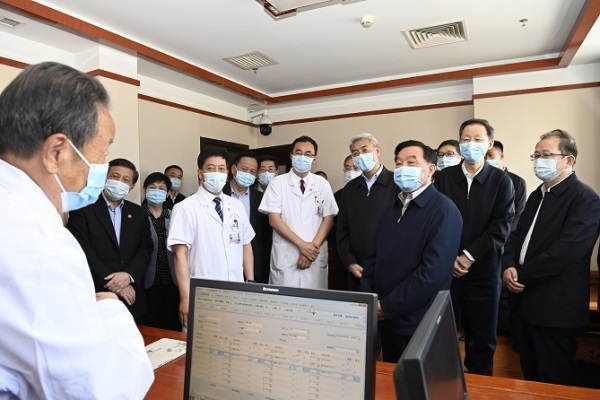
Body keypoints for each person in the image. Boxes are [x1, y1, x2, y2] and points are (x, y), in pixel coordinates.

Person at [0, 61, 153, 399]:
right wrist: (111, 307)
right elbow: (102, 390)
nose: (102, 169)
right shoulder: (39, 243)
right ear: (56, 153)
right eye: (102, 153)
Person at [502, 129, 600, 385]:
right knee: (530, 377)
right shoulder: (537, 195)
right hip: (524, 303)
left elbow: (566, 252)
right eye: (536, 155)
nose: (538, 161)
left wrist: (521, 274)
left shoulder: (585, 199)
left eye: (546, 155)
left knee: (554, 380)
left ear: (569, 160)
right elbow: (515, 235)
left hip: (556, 309)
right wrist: (508, 265)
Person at [361, 140, 463, 362]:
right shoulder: (391, 209)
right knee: (390, 375)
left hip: (416, 320)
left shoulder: (444, 210)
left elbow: (433, 273)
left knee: (414, 378)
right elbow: (373, 257)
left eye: (411, 163)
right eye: (398, 163)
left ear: (430, 169)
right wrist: (370, 299)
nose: (402, 168)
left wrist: (387, 306)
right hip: (383, 316)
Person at [434, 118, 515, 375]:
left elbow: (501, 226)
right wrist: (450, 257)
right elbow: (435, 222)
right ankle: (444, 382)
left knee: (482, 339)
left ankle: (481, 383)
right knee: (442, 334)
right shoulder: (443, 178)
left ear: (489, 143)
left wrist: (469, 256)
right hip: (447, 271)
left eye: (478, 139)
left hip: (485, 272)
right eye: (465, 139)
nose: (471, 144)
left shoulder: (501, 181)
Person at [168, 147, 255, 328]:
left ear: (228, 172)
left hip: (237, 292)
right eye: (211, 168)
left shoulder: (236, 206)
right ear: (200, 173)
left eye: (221, 169)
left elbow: (246, 245)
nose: (217, 173)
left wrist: (250, 282)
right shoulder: (185, 208)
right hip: (203, 295)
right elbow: (179, 255)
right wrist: (185, 298)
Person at [68, 158, 153, 324]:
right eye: (115, 176)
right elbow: (82, 249)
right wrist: (115, 283)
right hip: (96, 294)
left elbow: (145, 248)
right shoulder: (83, 208)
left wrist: (128, 276)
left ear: (131, 186)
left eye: (126, 180)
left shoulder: (138, 213)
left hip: (132, 297)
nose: (120, 182)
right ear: (105, 179)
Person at [259, 136, 338, 289]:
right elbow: (274, 220)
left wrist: (311, 251)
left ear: (314, 159)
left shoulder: (322, 184)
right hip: (286, 258)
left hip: (314, 257)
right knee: (284, 301)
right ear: (291, 156)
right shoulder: (277, 183)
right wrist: (302, 245)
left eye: (308, 154)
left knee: (314, 302)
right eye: (298, 153)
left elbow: (328, 220)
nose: (302, 157)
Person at [337, 133, 399, 291]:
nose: (360, 155)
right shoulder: (350, 189)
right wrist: (350, 262)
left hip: (390, 268)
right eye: (355, 153)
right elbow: (342, 229)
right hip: (357, 270)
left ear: (377, 151)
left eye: (365, 150)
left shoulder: (397, 183)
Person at [223, 150, 272, 283]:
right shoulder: (219, 193)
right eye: (244, 169)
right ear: (233, 169)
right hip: (224, 258)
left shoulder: (261, 199)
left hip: (254, 261)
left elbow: (266, 236)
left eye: (252, 172)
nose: (248, 174)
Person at [142, 172, 181, 331]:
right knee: (150, 325)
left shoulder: (175, 216)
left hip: (173, 280)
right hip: (147, 282)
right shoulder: (138, 215)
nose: (156, 191)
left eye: (161, 188)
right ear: (145, 190)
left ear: (168, 193)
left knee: (173, 324)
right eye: (152, 188)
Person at [329, 155, 362, 290]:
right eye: (347, 168)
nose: (351, 172)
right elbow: (335, 228)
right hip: (343, 256)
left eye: (355, 168)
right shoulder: (338, 196)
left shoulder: (372, 194)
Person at [486, 140, 527, 230]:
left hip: (506, 233)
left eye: (491, 155)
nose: (487, 160)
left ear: (501, 156)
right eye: (484, 157)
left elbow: (518, 213)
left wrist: (503, 233)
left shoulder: (517, 182)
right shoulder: (481, 180)